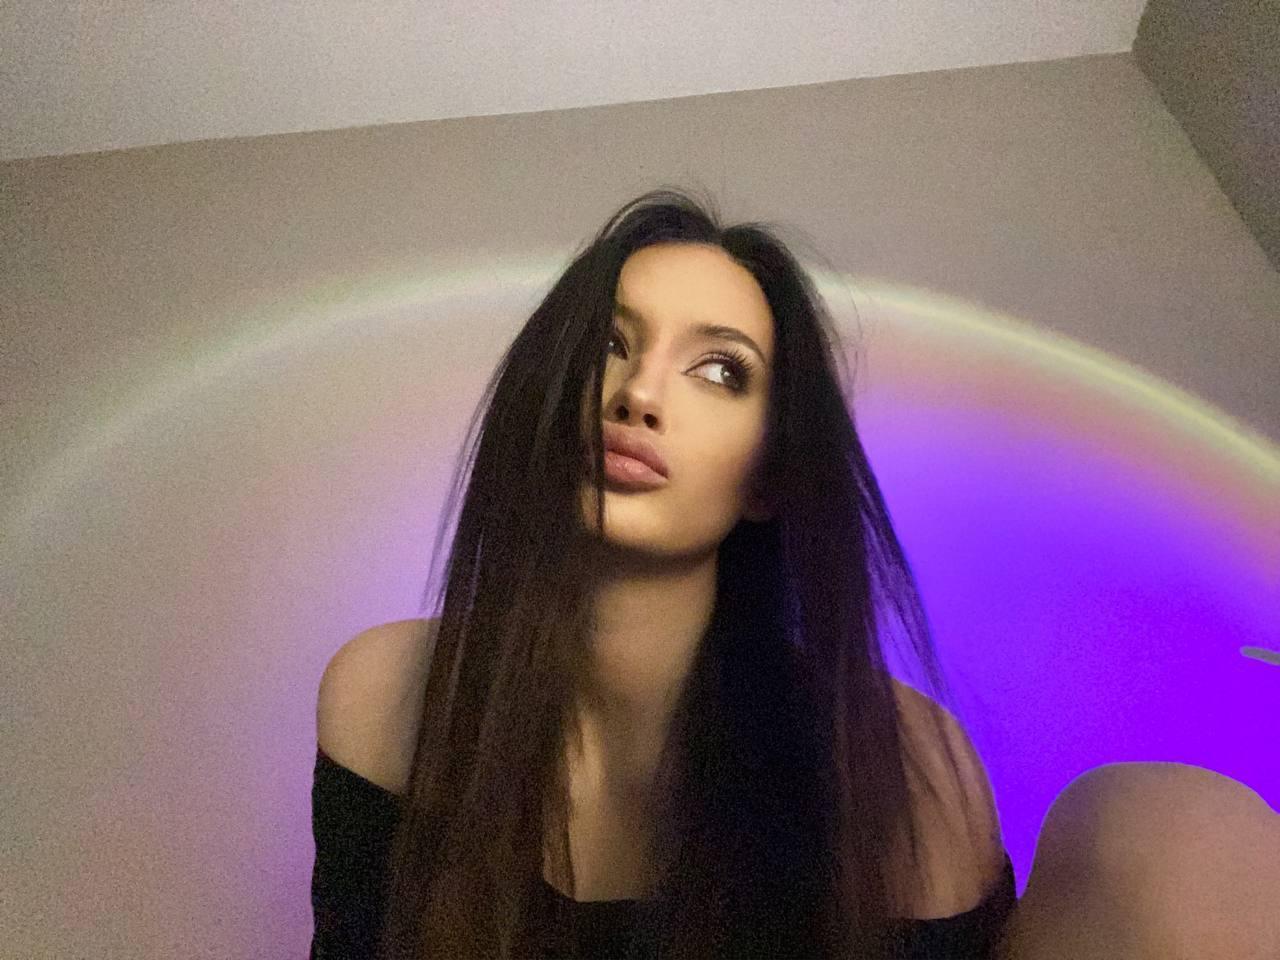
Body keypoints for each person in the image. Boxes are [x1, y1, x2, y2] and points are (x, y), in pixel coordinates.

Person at [308, 187, 1279, 958]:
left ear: (769, 475)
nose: (638, 394)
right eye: (608, 344)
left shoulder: (900, 771)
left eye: (720, 370)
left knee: (1174, 828)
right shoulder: (388, 694)